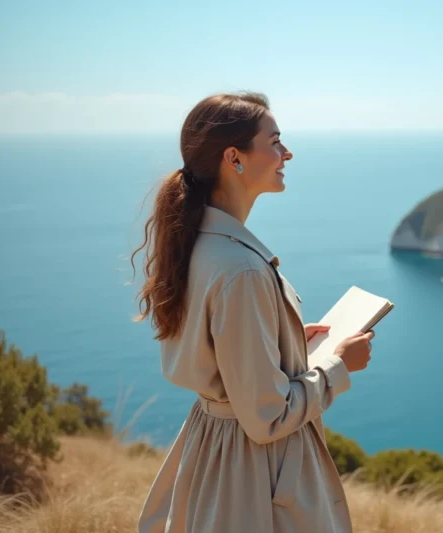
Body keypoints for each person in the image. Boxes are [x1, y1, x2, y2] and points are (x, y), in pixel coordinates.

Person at [131, 92, 373, 533]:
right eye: (275, 141)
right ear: (234, 158)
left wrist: (288, 343)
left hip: (214, 450)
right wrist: (340, 366)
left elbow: (219, 357)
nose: (287, 153)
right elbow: (268, 418)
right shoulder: (240, 268)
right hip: (253, 471)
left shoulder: (200, 243)